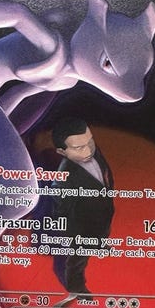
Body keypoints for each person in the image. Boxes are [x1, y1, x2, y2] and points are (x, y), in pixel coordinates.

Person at [51, 117, 114, 298]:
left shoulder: (94, 151)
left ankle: (99, 243)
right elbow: (62, 213)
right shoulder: (63, 180)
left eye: (90, 142)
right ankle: (76, 286)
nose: (88, 150)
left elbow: (104, 173)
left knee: (102, 232)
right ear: (62, 152)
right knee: (78, 259)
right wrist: (73, 239)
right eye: (79, 148)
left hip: (101, 213)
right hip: (82, 227)